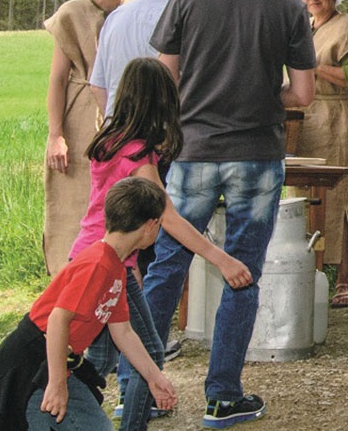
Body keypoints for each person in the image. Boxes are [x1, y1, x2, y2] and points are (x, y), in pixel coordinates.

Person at [138, 0, 315, 429]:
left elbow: (163, 76)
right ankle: (222, 396)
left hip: (193, 151)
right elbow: (302, 92)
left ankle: (138, 391)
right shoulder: (287, 6)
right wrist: (262, 94)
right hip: (258, 154)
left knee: (168, 264)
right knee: (242, 270)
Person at [77, 58, 253, 431]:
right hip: (109, 263)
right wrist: (222, 259)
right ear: (162, 103)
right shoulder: (139, 157)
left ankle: (73, 408)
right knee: (149, 351)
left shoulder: (108, 142)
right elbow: (169, 219)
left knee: (103, 353)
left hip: (90, 252)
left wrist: (133, 265)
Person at [0, 176, 177, 431]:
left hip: (60, 364)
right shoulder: (98, 263)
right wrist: (56, 384)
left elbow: (123, 331)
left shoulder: (116, 267)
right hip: (32, 365)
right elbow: (56, 320)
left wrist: (154, 377)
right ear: (151, 225)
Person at [44, 0, 136, 276]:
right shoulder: (72, 12)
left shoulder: (137, 8)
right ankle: (68, 278)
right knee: (75, 201)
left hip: (130, 112)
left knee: (126, 198)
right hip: (81, 118)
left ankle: (120, 280)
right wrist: (56, 135)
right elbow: (57, 80)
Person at [292, 0, 348, 308]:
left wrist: (313, 67)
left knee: (336, 195)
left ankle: (344, 278)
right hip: (307, 117)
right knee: (303, 194)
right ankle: (306, 270)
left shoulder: (347, 29)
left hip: (336, 117)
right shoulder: (306, 26)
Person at [90, 0, 199, 118]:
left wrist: (117, 125)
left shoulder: (115, 17)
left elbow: (97, 86)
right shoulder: (183, 19)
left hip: (119, 135)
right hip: (165, 133)